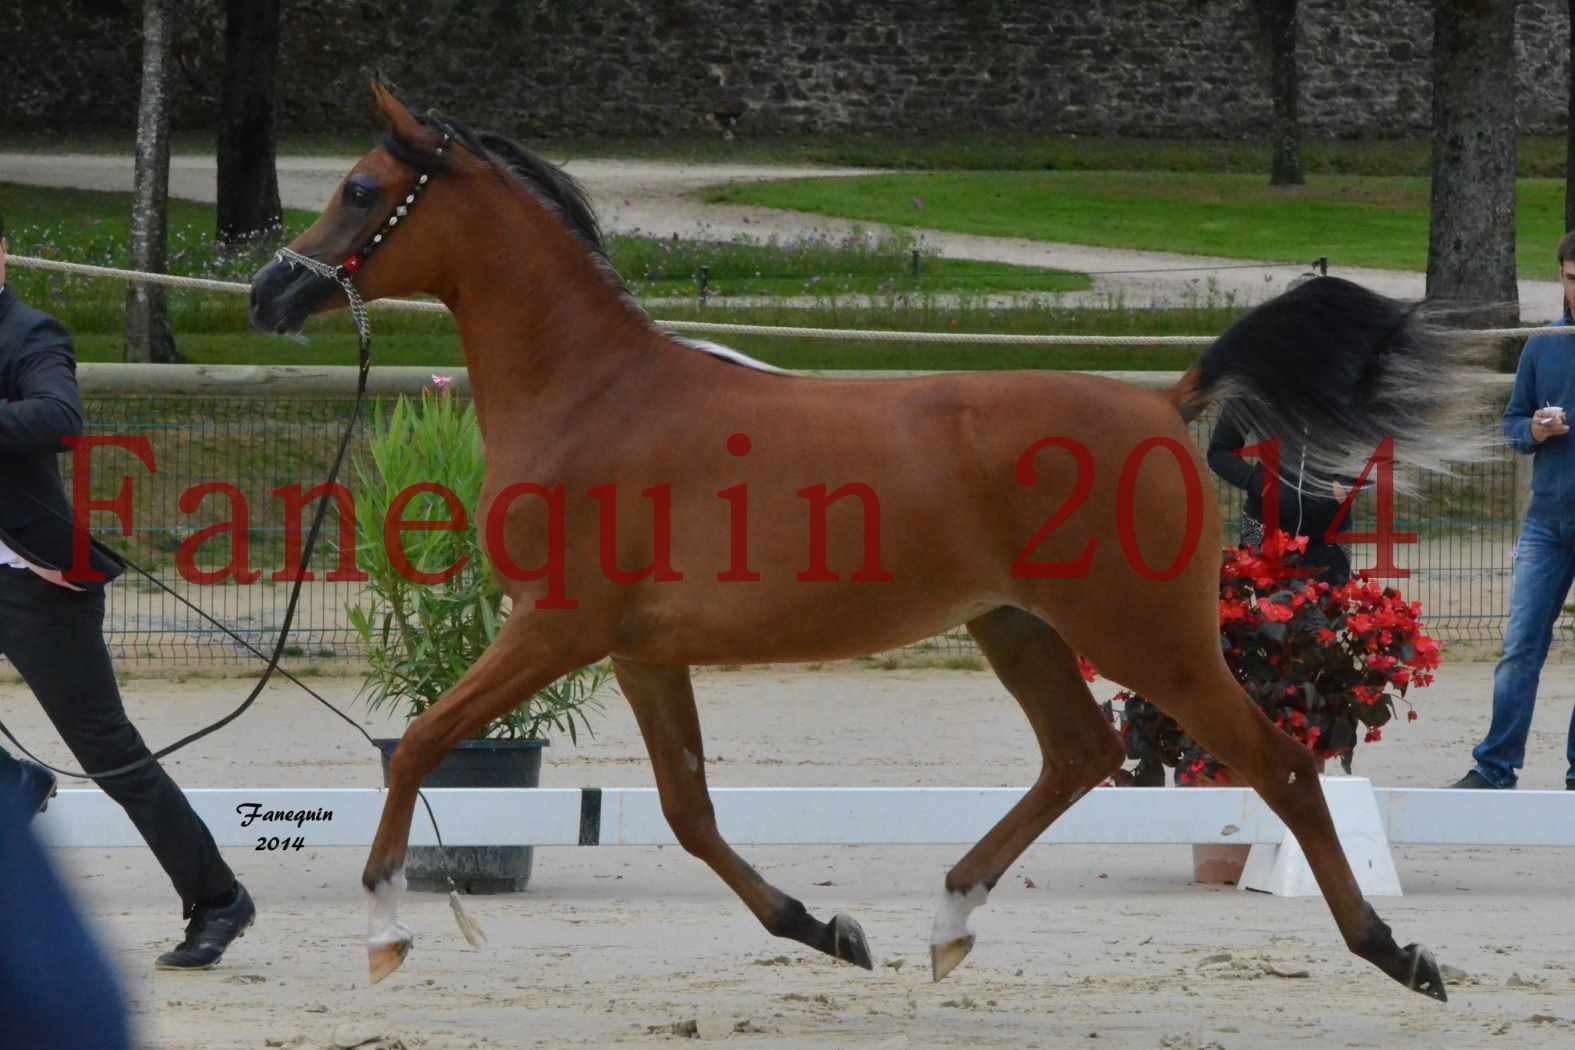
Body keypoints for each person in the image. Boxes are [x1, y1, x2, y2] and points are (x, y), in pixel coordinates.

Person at [0, 216, 257, 966]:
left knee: (112, 753)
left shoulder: (31, 333)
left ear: (4, 253)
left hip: (37, 577)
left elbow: (59, 417)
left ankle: (218, 898)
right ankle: (15, 779)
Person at [1447, 232, 1575, 792]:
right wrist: (1534, 430)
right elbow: (1512, 424)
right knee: (1520, 647)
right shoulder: (1542, 346)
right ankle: (1495, 768)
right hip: (1548, 523)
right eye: (1572, 279)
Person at [1207, 403, 1356, 588]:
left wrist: (1347, 481)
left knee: (1329, 614)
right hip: (1263, 527)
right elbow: (1219, 451)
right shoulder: (1254, 380)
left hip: (1330, 530)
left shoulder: (1350, 378)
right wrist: (1258, 482)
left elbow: (1392, 436)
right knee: (1261, 614)